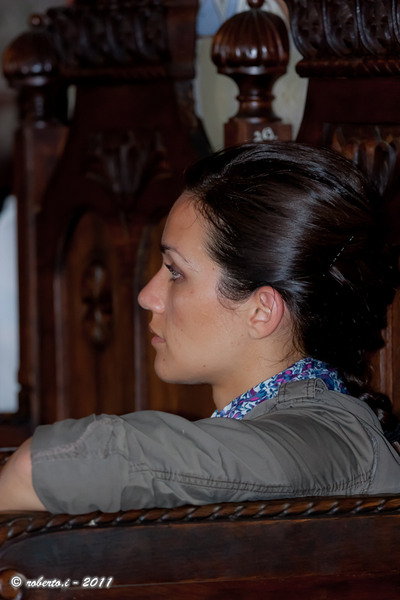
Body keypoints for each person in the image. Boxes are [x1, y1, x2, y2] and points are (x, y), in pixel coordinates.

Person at [1, 141, 400, 514]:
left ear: (261, 311)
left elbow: (45, 467)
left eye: (175, 272)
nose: (147, 296)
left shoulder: (330, 442)